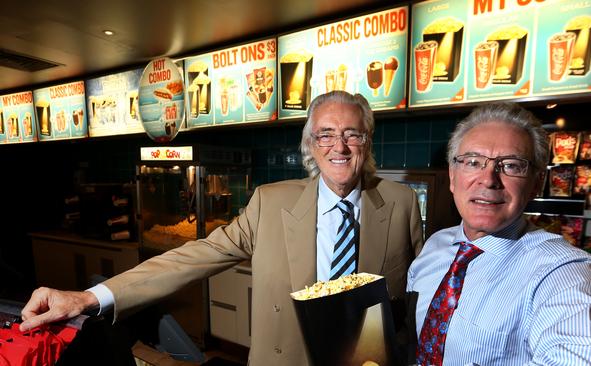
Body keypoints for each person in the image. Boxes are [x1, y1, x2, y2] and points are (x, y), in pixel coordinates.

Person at [20, 90, 424, 365]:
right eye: (326, 135)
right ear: (311, 145)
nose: (340, 147)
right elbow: (193, 257)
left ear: (367, 141)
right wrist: (90, 298)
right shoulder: (271, 201)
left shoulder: (401, 203)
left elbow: (415, 296)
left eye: (352, 133)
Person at [407, 103, 591, 365]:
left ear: (535, 184)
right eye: (473, 162)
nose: (488, 179)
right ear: (453, 176)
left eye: (510, 165)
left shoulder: (561, 271)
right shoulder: (435, 246)